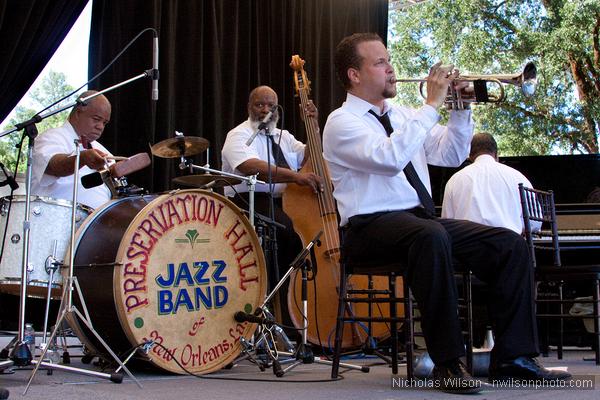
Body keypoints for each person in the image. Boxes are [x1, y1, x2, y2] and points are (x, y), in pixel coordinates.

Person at [323, 32, 570, 393]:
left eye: (389, 60)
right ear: (354, 75)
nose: (391, 69)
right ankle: (448, 362)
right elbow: (390, 158)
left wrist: (459, 108)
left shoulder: (405, 116)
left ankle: (513, 358)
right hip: (368, 228)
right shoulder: (341, 122)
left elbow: (452, 154)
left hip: (418, 224)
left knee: (510, 245)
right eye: (380, 63)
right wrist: (432, 105)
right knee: (430, 234)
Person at [221, 85, 322, 287]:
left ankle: (307, 290)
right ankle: (282, 290)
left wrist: (313, 126)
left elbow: (308, 156)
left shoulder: (284, 136)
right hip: (250, 200)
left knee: (313, 231)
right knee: (287, 231)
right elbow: (250, 166)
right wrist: (295, 177)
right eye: (260, 104)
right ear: (249, 107)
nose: (266, 110)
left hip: (287, 200)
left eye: (271, 106)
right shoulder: (238, 135)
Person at [442, 132, 540, 234]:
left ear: (470, 156)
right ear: (496, 154)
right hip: (509, 246)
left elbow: (447, 224)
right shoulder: (519, 177)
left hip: (469, 247)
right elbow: (535, 223)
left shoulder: (454, 180)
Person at [31, 90, 113, 209]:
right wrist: (82, 159)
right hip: (54, 220)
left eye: (104, 123)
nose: (100, 126)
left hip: (96, 223)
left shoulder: (102, 150)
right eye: (96, 119)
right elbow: (53, 166)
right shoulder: (52, 137)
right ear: (78, 113)